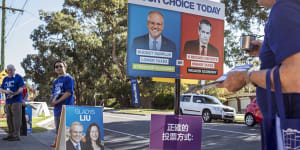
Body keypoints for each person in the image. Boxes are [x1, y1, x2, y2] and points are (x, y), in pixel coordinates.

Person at [217, 0, 300, 149]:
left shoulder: (283, 8)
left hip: (288, 128)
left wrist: (246, 77)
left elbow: (295, 77)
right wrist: (266, 49)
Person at [50, 60, 75, 147]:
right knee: (58, 127)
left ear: (65, 67)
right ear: (55, 69)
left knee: (67, 128)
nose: (59, 68)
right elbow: (54, 94)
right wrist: (52, 101)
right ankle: (57, 142)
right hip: (57, 108)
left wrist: (56, 101)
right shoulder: (55, 81)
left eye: (61, 66)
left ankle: (67, 145)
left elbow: (68, 93)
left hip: (66, 108)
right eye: (56, 67)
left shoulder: (68, 78)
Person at [0, 64, 24, 141]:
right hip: (8, 101)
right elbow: (1, 89)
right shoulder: (5, 79)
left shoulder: (18, 77)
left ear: (14, 70)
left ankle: (16, 135)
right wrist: (6, 91)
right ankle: (10, 134)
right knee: (9, 119)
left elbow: (21, 89)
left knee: (16, 119)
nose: (10, 71)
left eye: (11, 70)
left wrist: (13, 94)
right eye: (8, 70)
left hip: (16, 101)